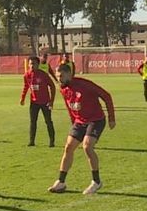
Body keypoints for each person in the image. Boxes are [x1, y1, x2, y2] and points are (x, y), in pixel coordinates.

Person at [48, 64, 116, 195]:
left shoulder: (85, 85)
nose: (59, 79)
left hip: (95, 120)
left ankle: (96, 181)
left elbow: (106, 96)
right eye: (57, 77)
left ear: (69, 74)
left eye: (61, 76)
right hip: (79, 122)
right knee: (68, 147)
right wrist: (73, 122)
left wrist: (112, 118)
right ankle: (61, 182)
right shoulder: (63, 89)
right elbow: (69, 107)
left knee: (87, 147)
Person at [20, 55, 56, 148]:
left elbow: (52, 86)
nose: (32, 65)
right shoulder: (27, 75)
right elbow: (26, 87)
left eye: (34, 64)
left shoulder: (43, 75)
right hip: (34, 102)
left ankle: (52, 142)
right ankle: (31, 141)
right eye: (30, 64)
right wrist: (22, 98)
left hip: (45, 102)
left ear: (38, 64)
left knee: (48, 121)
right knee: (33, 122)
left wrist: (51, 101)